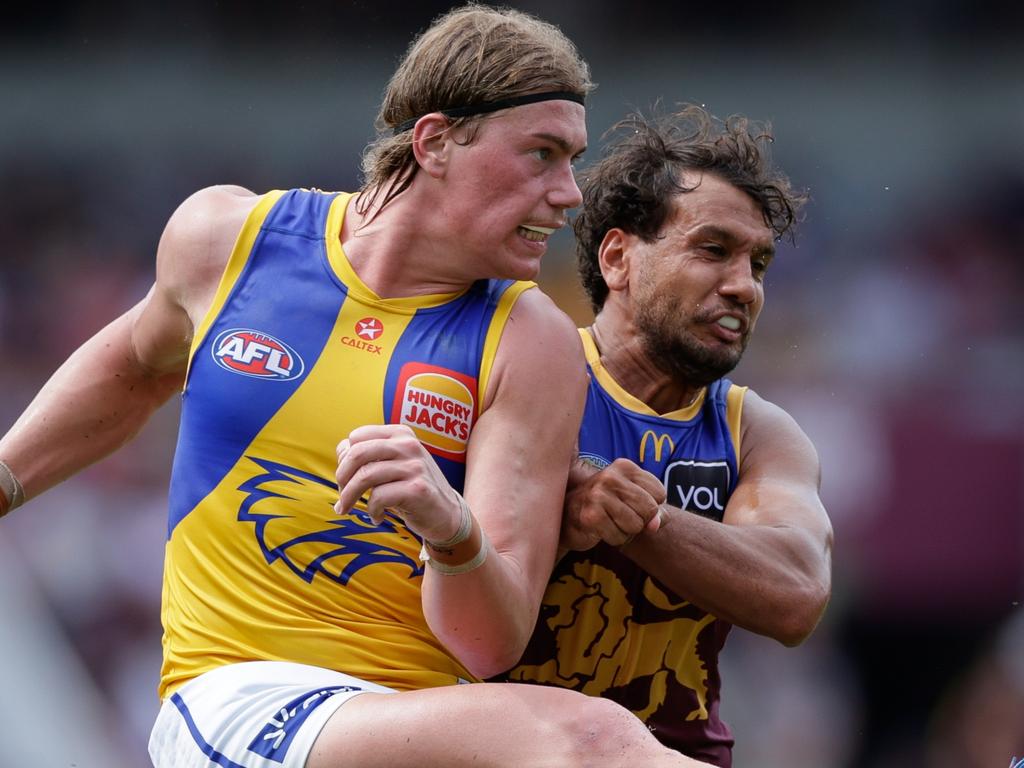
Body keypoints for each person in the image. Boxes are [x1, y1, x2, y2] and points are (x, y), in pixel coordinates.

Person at [0, 8, 712, 768]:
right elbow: (135, 368)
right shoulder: (230, 240)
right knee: (593, 738)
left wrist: (450, 528)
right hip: (245, 698)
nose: (570, 193)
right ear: (435, 142)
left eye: (572, 159)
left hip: (418, 724)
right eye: (541, 154)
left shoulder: (529, 340)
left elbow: (490, 641)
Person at [501, 105, 835, 767]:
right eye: (713, 250)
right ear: (619, 257)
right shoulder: (522, 378)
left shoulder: (755, 430)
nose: (744, 287)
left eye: (759, 264)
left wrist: (640, 521)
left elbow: (796, 595)